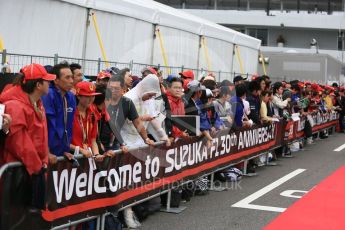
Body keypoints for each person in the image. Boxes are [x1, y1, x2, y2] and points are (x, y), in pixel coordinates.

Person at [0, 63, 56, 209]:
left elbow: (39, 139)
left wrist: (42, 163)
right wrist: (38, 167)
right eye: (46, 80)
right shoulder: (15, 106)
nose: (50, 83)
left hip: (31, 171)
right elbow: (19, 143)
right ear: (38, 84)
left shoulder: (36, 103)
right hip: (19, 175)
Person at [41, 61, 76, 163]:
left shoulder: (71, 97)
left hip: (59, 153)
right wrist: (46, 152)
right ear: (56, 80)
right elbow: (45, 127)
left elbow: (68, 126)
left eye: (71, 77)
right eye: (67, 77)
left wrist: (64, 150)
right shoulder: (48, 95)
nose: (71, 81)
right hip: (46, 154)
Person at [70, 82, 104, 161]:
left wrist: (97, 154)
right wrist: (81, 150)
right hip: (72, 159)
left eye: (93, 96)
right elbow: (63, 142)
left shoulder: (92, 115)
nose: (91, 99)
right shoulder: (70, 114)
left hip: (87, 158)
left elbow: (93, 140)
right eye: (87, 96)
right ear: (78, 96)